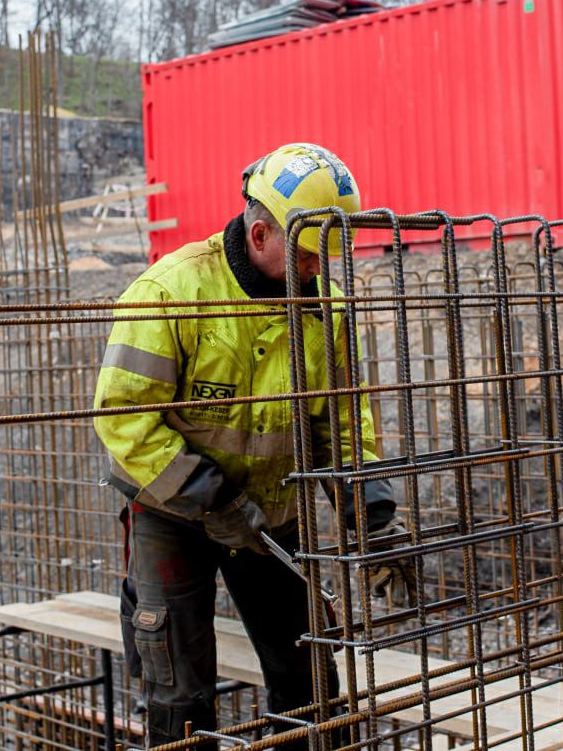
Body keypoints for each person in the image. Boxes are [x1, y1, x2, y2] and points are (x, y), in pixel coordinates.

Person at [93, 143, 410, 747]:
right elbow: (123, 417)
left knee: (307, 674)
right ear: (260, 232)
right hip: (173, 510)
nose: (320, 272)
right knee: (179, 686)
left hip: (271, 514)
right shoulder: (170, 292)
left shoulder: (325, 310)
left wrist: (372, 514)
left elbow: (342, 423)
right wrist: (213, 501)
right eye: (311, 258)